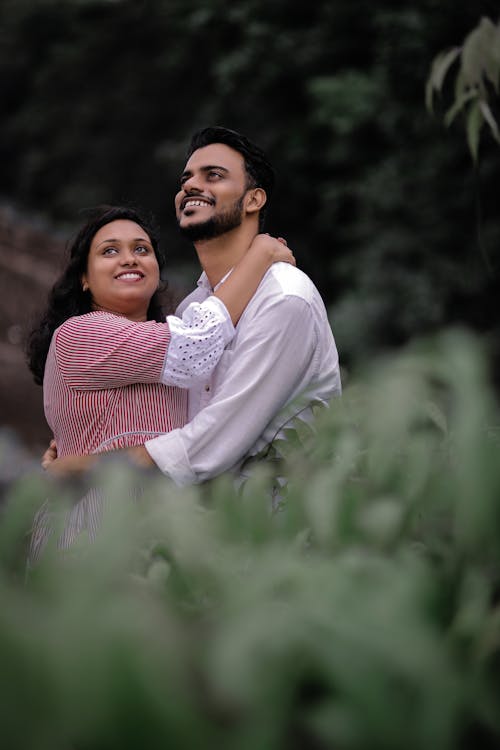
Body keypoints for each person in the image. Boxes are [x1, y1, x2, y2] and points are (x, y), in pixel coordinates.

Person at [45, 127, 341, 487]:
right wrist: (75, 438)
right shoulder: (194, 308)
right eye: (186, 178)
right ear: (84, 277)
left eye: (213, 175)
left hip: (278, 527)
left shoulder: (283, 298)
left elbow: (210, 445)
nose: (191, 186)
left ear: (253, 199)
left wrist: (86, 465)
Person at [26, 204, 294, 555]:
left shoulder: (159, 356)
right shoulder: (80, 333)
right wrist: (260, 254)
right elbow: (195, 345)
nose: (129, 259)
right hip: (89, 535)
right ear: (84, 278)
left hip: (159, 541)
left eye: (142, 249)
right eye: (110, 251)